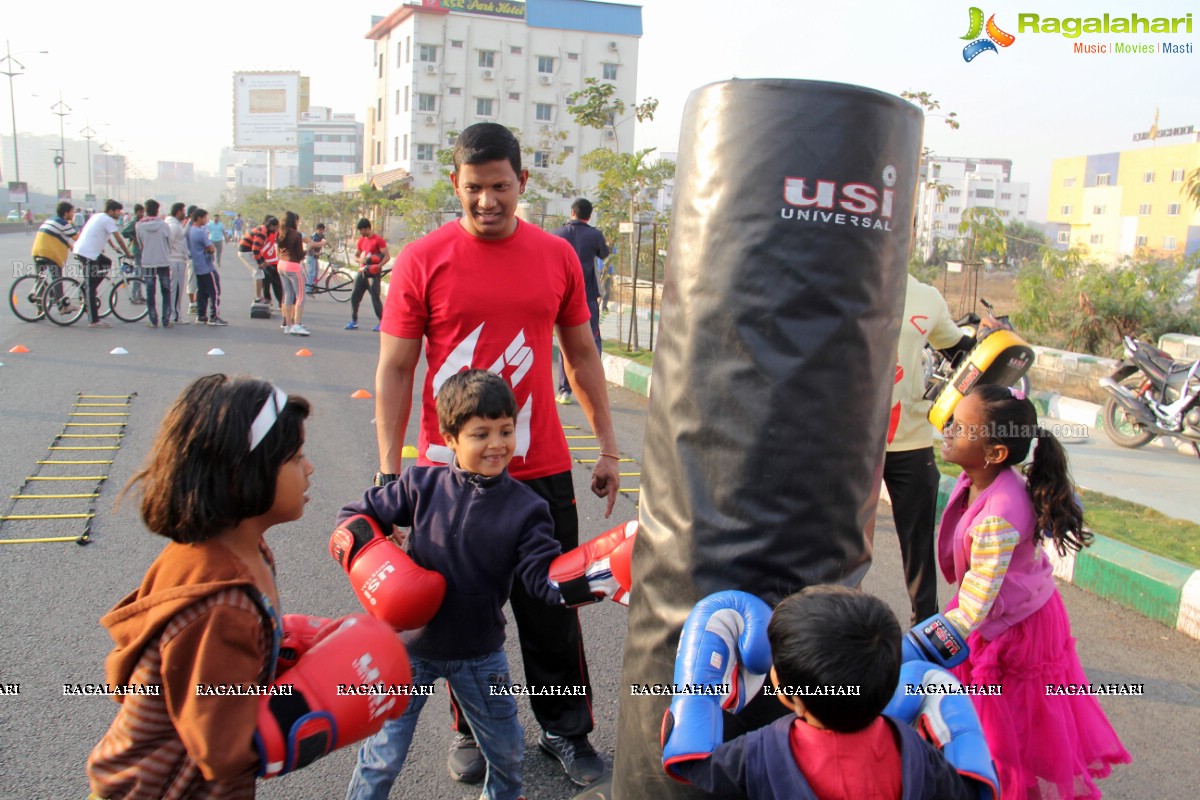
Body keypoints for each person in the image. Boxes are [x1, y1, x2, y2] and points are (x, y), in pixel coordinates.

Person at [375, 122, 619, 787]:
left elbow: (582, 356)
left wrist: (608, 449)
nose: (488, 201)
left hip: (538, 472)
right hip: (446, 479)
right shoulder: (422, 259)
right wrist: (391, 477)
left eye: (501, 186)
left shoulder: (557, 256)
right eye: (474, 188)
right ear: (455, 183)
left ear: (524, 184)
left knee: (553, 609)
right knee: (458, 613)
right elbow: (395, 369)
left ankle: (566, 732)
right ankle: (472, 731)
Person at [86, 375, 314, 798]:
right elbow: (224, 750)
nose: (310, 467)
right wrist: (325, 704)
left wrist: (274, 645)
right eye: (296, 457)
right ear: (245, 472)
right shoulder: (223, 603)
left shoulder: (246, 550)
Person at [343, 370, 565, 800]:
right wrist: (375, 554)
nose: (497, 444)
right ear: (450, 438)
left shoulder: (528, 508)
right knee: (382, 755)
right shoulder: (420, 484)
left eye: (506, 430)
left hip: (480, 654)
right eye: (481, 433)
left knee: (506, 751)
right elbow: (357, 514)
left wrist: (585, 581)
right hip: (409, 648)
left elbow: (542, 578)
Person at [938, 384, 1131, 797]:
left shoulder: (998, 517)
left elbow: (973, 607)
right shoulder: (981, 477)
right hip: (1007, 605)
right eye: (952, 420)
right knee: (993, 715)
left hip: (1014, 628)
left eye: (960, 427)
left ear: (995, 454)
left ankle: (1004, 786)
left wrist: (924, 641)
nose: (947, 430)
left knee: (1010, 725)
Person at [662, 586, 996, 799]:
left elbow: (694, 764)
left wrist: (695, 698)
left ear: (789, 694)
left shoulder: (761, 752)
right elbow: (966, 788)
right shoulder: (912, 752)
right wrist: (960, 728)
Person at [883, 275, 972, 624]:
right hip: (853, 439)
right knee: (841, 542)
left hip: (912, 437)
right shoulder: (845, 282)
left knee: (918, 542)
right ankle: (839, 628)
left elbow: (961, 350)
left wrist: (989, 339)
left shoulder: (927, 297)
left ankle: (925, 626)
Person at [552, 198, 609, 405]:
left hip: (562, 298)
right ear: (589, 215)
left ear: (572, 212)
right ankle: (593, 391)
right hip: (587, 297)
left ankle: (564, 390)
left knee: (565, 344)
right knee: (592, 342)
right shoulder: (595, 235)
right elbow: (604, 253)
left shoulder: (557, 234)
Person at [72, 199, 133, 328]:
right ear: (111, 211)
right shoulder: (108, 220)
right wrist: (127, 252)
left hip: (84, 250)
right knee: (91, 287)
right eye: (117, 211)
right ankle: (93, 320)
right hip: (88, 253)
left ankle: (87, 288)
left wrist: (112, 247)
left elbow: (106, 235)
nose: (119, 214)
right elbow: (118, 238)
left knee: (106, 262)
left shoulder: (98, 216)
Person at [30, 200, 79, 313]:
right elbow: (78, 238)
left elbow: (59, 238)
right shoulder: (63, 223)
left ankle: (40, 307)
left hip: (37, 252)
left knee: (40, 279)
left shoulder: (50, 220)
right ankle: (62, 306)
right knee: (57, 279)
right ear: (66, 213)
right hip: (50, 254)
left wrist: (71, 247)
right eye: (72, 212)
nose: (73, 214)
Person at [135, 199, 173, 328]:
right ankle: (166, 319)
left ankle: (153, 320)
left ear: (145, 210)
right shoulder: (164, 224)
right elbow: (169, 243)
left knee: (150, 291)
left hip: (148, 262)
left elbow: (140, 244)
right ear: (157, 210)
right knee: (166, 291)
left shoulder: (139, 225)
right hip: (163, 261)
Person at [344, 218, 388, 331]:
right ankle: (354, 321)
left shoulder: (378, 240)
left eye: (362, 230)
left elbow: (386, 256)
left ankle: (382, 322)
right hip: (362, 272)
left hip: (373, 273)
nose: (360, 233)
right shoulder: (361, 240)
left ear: (368, 228)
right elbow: (356, 256)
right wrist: (361, 260)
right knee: (354, 297)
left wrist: (378, 266)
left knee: (375, 297)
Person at [188, 208, 226, 326]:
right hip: (206, 266)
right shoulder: (199, 232)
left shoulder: (190, 231)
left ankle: (201, 315)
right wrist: (208, 250)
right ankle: (214, 316)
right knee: (214, 291)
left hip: (198, 265)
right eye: (205, 217)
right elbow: (211, 248)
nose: (206, 220)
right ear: (199, 218)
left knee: (202, 291)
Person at [276, 210, 310, 336]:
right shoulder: (297, 235)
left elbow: (278, 252)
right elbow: (300, 255)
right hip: (293, 266)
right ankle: (297, 324)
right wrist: (308, 249)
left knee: (288, 294)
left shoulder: (280, 234)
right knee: (301, 295)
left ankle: (288, 324)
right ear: (293, 221)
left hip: (281, 265)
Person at [238, 215, 278, 304]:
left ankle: (258, 296)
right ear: (271, 226)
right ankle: (258, 297)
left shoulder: (264, 230)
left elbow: (258, 249)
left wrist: (262, 260)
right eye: (276, 227)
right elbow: (255, 248)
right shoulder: (263, 232)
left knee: (258, 273)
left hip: (247, 250)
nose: (276, 230)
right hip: (246, 251)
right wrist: (260, 262)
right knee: (258, 273)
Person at [165, 203, 189, 324]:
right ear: (178, 212)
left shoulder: (174, 224)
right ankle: (175, 315)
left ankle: (174, 314)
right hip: (175, 261)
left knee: (175, 289)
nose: (185, 214)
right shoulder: (173, 226)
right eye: (183, 211)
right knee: (176, 290)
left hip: (176, 260)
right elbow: (168, 243)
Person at [120, 203, 147, 303]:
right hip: (137, 250)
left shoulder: (141, 221)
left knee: (141, 274)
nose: (142, 213)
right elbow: (124, 232)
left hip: (142, 251)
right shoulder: (134, 222)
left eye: (143, 211)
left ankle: (139, 295)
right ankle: (134, 295)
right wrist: (134, 238)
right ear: (136, 213)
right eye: (140, 212)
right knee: (138, 274)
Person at [305, 222, 326, 294]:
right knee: (311, 273)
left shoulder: (321, 236)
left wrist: (332, 248)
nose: (322, 231)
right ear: (317, 229)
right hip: (311, 256)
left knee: (316, 272)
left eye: (323, 230)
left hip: (315, 257)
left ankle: (314, 287)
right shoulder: (314, 236)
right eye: (320, 230)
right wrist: (315, 253)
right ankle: (308, 289)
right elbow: (310, 246)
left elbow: (325, 242)